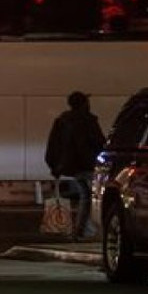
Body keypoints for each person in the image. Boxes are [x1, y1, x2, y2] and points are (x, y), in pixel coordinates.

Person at [44, 91, 106, 240]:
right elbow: (99, 142)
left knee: (86, 196)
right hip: (88, 165)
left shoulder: (62, 121)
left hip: (72, 167)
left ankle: (80, 231)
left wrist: (54, 166)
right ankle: (88, 231)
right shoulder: (88, 120)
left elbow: (53, 144)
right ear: (84, 104)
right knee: (94, 197)